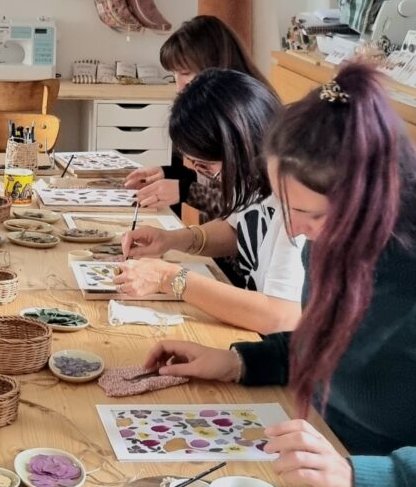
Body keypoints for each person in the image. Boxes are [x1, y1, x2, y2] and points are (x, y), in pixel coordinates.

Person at [141, 63, 416, 487]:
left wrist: (363, 477)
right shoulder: (329, 244)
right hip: (319, 467)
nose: (293, 230)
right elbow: (321, 343)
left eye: (309, 213)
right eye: (286, 209)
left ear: (370, 198)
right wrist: (240, 361)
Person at [117, 70, 304, 335]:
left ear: (240, 148)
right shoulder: (251, 171)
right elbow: (236, 231)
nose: (205, 176)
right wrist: (172, 240)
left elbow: (279, 316)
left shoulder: (299, 203)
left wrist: (168, 278)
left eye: (207, 167)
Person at [124, 15, 267, 213]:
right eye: (174, 74)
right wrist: (168, 173)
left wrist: (185, 191)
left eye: (185, 73)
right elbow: (212, 177)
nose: (179, 86)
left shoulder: (245, 114)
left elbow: (246, 205)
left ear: (214, 66)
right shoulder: (219, 108)